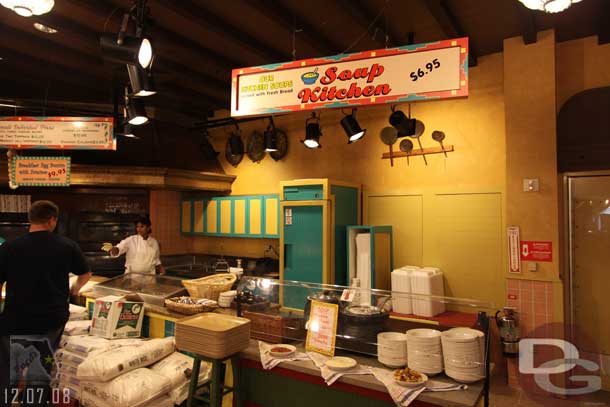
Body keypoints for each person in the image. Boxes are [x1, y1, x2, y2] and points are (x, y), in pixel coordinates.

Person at [0, 200, 91, 405]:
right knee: (39, 372)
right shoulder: (67, 245)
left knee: (9, 373)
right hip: (51, 321)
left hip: (15, 321)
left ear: (30, 219)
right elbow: (85, 274)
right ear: (52, 220)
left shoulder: (10, 247)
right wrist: (73, 290)